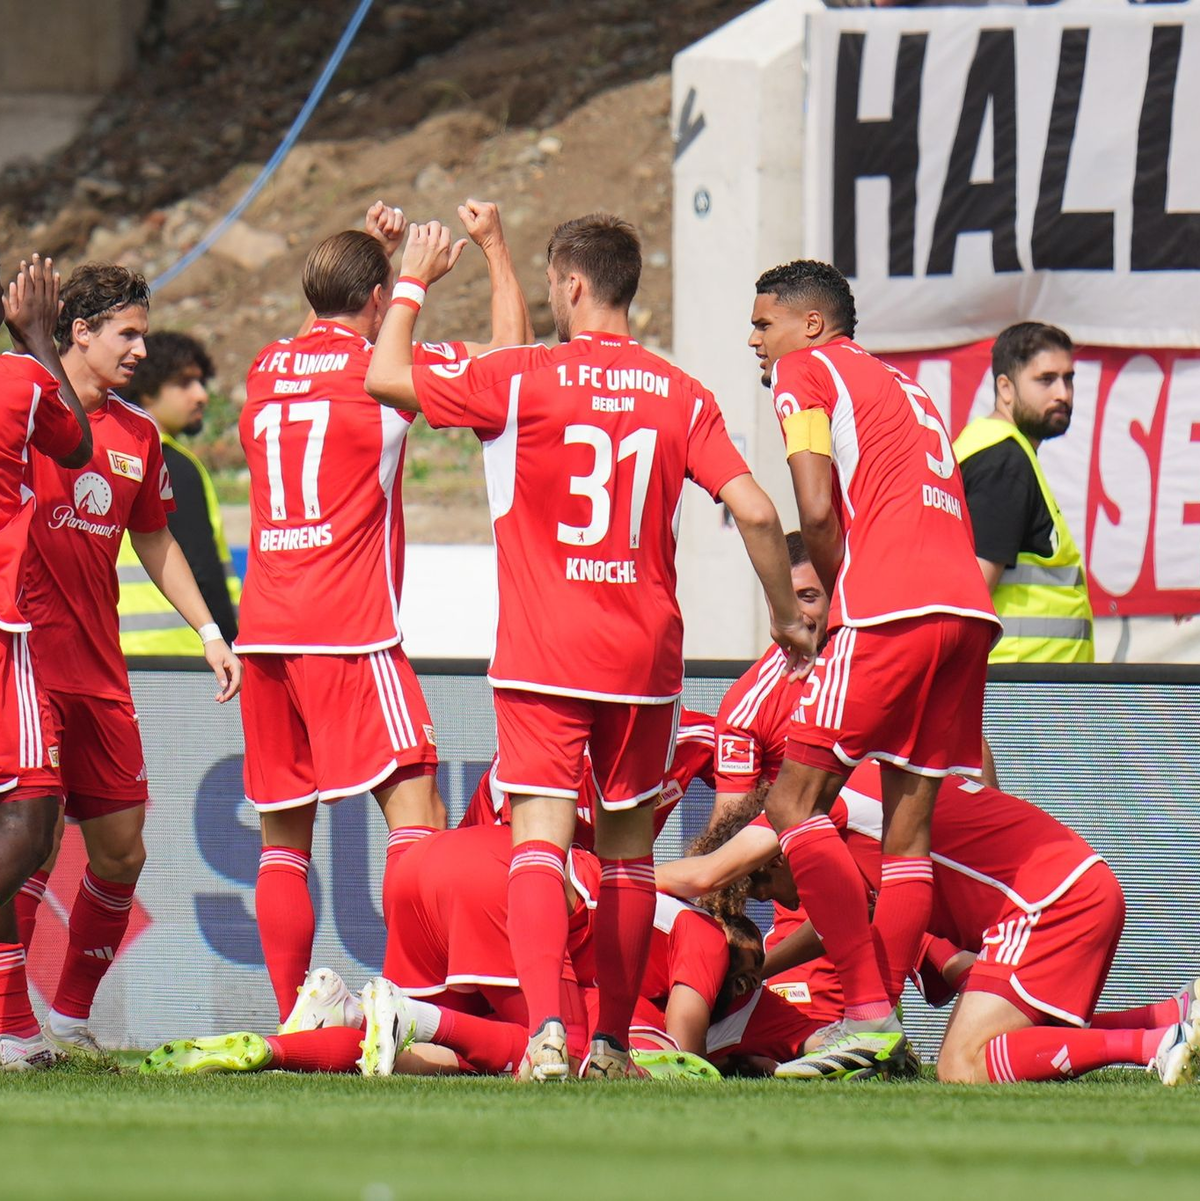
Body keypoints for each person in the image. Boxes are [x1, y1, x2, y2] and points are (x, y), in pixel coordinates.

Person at [365, 213, 813, 1080]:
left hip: (544, 647)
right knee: (627, 856)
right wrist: (787, 619)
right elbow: (757, 510)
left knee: (539, 838)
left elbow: (386, 375)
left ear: (570, 285)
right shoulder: (682, 394)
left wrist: (413, 279)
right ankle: (608, 1041)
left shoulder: (525, 376)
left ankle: (545, 1038)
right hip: (644, 660)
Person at [236, 200, 530, 1025]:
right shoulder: (385, 376)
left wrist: (376, 264)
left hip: (265, 631)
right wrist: (460, 264)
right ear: (375, 305)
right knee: (420, 816)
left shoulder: (266, 364)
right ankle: (415, 1003)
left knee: (282, 840)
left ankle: (292, 1013)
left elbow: (321, 330)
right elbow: (510, 361)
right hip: (350, 628)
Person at [746, 258, 997, 1076]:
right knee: (908, 833)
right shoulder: (908, 389)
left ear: (810, 325)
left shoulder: (803, 371)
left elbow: (814, 504)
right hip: (967, 614)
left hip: (891, 608)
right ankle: (879, 1029)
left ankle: (864, 1009)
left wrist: (837, 602)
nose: (756, 340)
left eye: (763, 322)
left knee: (793, 802)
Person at [15, 262, 240, 1054]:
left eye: (144, 333)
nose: (141, 348)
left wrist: (210, 632)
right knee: (28, 837)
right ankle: (13, 1028)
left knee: (122, 849)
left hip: (100, 669)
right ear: (79, 330)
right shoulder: (21, 408)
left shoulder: (138, 434)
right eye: (128, 332)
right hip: (28, 664)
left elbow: (154, 539)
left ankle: (70, 1021)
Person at [659, 766, 1200, 1086]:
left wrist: (609, 877)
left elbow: (706, 872)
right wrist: (764, 972)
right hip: (1070, 885)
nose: (775, 900)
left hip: (1044, 902)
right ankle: (1169, 1018)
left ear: (773, 858)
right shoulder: (869, 798)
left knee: (962, 1063)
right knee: (1009, 1041)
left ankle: (1157, 1045)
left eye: (762, 889)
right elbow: (843, 925)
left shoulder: (814, 804)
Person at [0, 255, 91, 1070]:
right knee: (30, 828)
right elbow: (77, 438)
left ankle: (10, 1030)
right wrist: (35, 335)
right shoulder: (23, 382)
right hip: (3, 631)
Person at [953, 322, 1094, 663]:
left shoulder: (990, 448)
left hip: (1022, 690)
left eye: (1069, 378)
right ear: (1006, 388)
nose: (1062, 392)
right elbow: (971, 596)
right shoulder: (1004, 460)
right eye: (1046, 380)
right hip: (1020, 694)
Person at [117, 331, 240, 653]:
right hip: (184, 652)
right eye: (185, 383)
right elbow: (203, 571)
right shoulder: (172, 465)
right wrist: (229, 643)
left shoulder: (111, 454)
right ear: (146, 390)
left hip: (119, 649)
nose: (201, 395)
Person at [458, 706, 716, 849]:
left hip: (609, 888)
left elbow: (748, 783)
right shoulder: (539, 753)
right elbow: (528, 868)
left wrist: (717, 861)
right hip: (500, 878)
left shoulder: (688, 736)